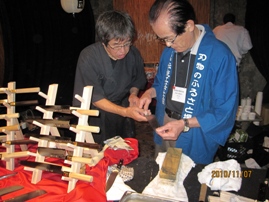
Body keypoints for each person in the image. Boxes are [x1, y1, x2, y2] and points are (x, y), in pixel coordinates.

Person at [139, 0, 239, 164]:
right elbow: (160, 83)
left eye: (170, 38)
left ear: (189, 26)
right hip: (165, 121)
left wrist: (184, 124)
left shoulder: (220, 56)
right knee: (163, 175)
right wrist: (150, 93)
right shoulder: (169, 52)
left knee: (188, 182)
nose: (168, 45)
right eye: (162, 39)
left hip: (193, 131)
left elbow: (224, 110)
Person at [73, 10, 148, 144]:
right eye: (116, 45)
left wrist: (132, 94)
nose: (123, 51)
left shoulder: (133, 53)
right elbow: (96, 99)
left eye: (126, 44)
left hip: (123, 109)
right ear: (103, 41)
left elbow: (138, 79)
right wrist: (126, 112)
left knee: (123, 150)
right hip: (96, 115)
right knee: (100, 155)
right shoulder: (89, 57)